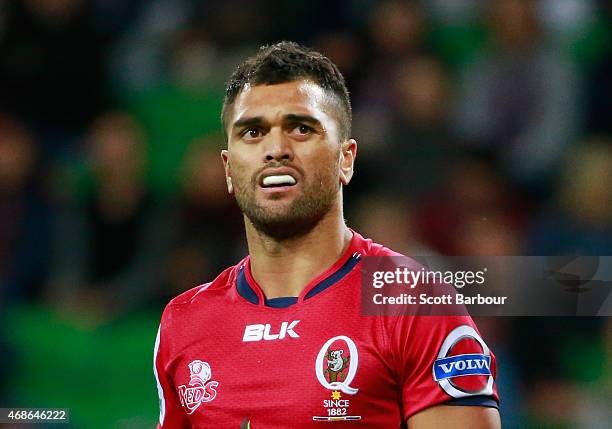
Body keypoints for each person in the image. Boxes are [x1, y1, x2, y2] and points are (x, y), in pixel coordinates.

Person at [154, 41, 501, 428]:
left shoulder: (413, 303)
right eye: (253, 132)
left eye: (301, 128)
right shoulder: (184, 322)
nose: (276, 149)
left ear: (346, 158)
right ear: (228, 169)